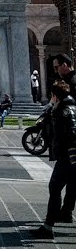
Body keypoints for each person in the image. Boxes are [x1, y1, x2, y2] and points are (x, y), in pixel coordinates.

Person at [31, 80, 76, 239]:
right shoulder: (71, 107)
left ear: (55, 95)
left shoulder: (62, 110)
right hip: (69, 157)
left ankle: (48, 227)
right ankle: (60, 217)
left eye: (52, 95)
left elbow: (71, 132)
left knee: (54, 188)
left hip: (67, 157)